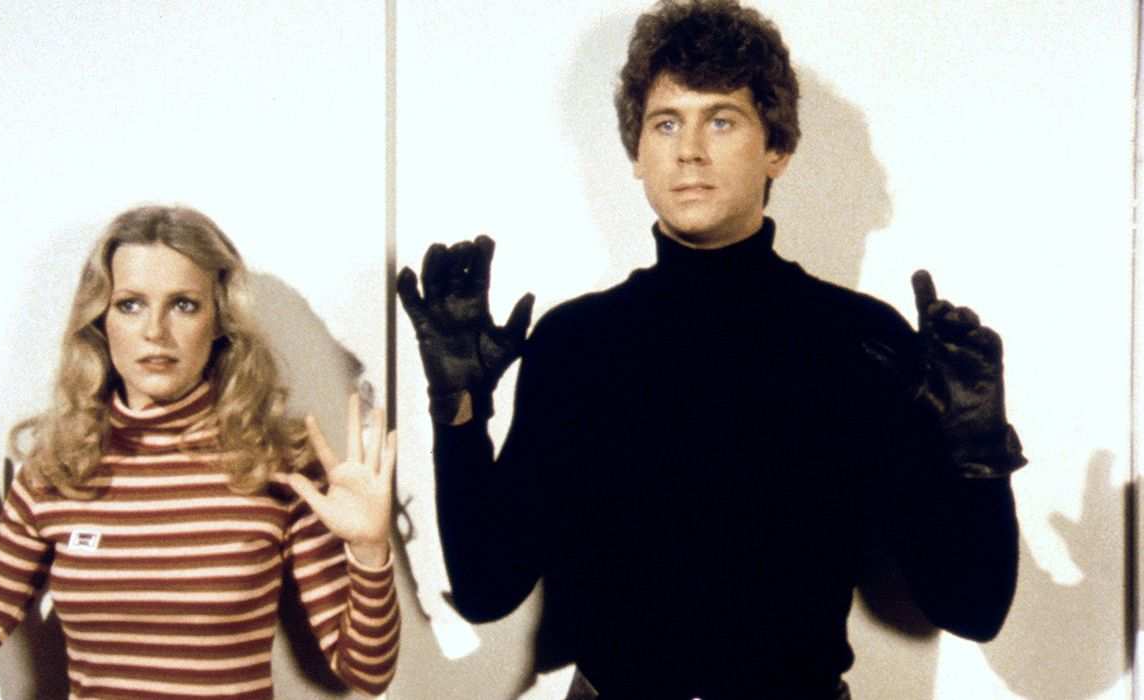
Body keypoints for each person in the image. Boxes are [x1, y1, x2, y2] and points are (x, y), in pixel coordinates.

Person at [397, 1, 1025, 698]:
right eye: (666, 123)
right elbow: (486, 588)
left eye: (721, 120)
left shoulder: (861, 344)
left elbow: (971, 605)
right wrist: (459, 410)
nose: (689, 150)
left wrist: (977, 446)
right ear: (637, 154)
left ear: (777, 149)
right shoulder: (578, 343)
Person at [0, 205, 401, 699]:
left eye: (183, 304)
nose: (155, 331)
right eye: (130, 304)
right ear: (100, 320)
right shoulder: (56, 471)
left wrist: (371, 551)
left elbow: (367, 672)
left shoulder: (275, 466)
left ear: (220, 322)